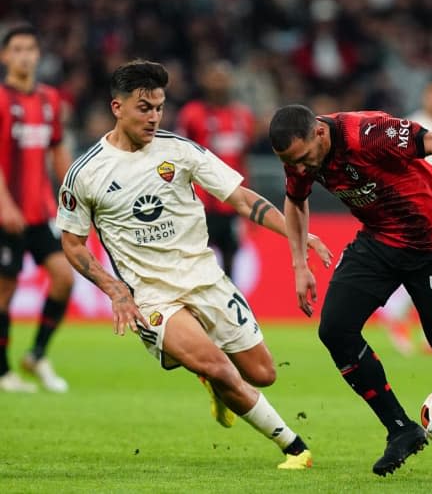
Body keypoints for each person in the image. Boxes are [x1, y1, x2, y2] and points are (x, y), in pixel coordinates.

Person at [56, 60, 332, 470]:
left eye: (159, 108)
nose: (153, 117)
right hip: (153, 295)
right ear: (117, 107)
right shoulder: (86, 172)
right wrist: (116, 291)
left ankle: (213, 381)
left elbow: (241, 198)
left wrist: (296, 235)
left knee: (262, 374)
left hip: (206, 279)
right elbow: (74, 243)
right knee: (219, 367)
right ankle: (294, 447)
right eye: (143, 108)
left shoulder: (180, 151)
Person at [268, 104, 432, 476]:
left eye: (305, 158)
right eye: (293, 162)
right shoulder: (298, 156)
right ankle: (400, 429)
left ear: (319, 134)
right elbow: (295, 200)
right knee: (335, 330)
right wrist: (298, 265)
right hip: (380, 241)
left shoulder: (367, 134)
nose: (302, 168)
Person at [0, 24, 73, 393]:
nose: (25, 55)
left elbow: (57, 150)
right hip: (4, 213)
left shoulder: (50, 100)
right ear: (5, 56)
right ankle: (2, 372)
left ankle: (37, 354)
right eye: (17, 49)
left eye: (31, 48)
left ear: (38, 55)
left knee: (64, 277)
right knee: (4, 289)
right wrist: (5, 204)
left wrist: (76, 192)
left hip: (39, 213)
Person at [382, 80, 432, 355]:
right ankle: (399, 318)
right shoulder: (412, 124)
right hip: (414, 208)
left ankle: (425, 330)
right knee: (424, 269)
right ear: (427, 97)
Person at [176, 60, 255, 277]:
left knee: (231, 262)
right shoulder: (191, 114)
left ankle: (228, 309)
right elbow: (180, 158)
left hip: (231, 204)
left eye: (223, 77)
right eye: (214, 77)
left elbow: (244, 161)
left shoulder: (243, 116)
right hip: (200, 203)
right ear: (205, 81)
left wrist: (248, 206)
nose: (219, 82)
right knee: (195, 263)